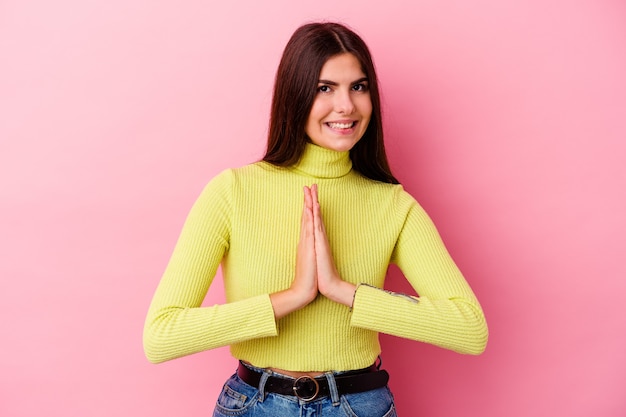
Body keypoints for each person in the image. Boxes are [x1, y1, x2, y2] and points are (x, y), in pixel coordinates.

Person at [143, 21, 488, 416]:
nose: (346, 106)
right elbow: (161, 336)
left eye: (358, 86)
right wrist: (291, 298)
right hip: (256, 404)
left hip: (359, 405)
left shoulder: (392, 204)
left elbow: (469, 328)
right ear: (295, 95)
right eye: (325, 88)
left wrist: (343, 291)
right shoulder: (233, 192)